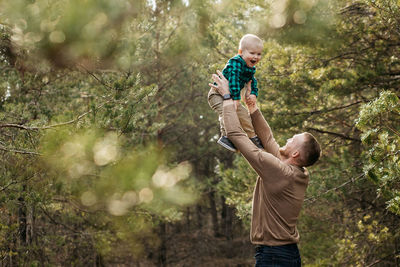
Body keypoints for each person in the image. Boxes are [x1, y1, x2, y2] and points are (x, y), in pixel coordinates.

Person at [209, 70, 321, 267]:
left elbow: (236, 134)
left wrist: (227, 97)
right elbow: (268, 139)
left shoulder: (280, 172)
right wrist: (252, 108)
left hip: (274, 256)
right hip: (284, 255)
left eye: (292, 140)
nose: (288, 139)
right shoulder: (298, 171)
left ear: (295, 154)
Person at [208, 34, 264, 152]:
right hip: (216, 95)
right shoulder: (235, 63)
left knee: (244, 115)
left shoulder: (251, 68)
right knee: (227, 113)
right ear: (241, 52)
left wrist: (253, 93)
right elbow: (234, 80)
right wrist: (236, 98)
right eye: (252, 53)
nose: (256, 57)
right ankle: (225, 136)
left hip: (232, 96)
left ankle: (252, 137)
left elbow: (252, 81)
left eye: (259, 54)